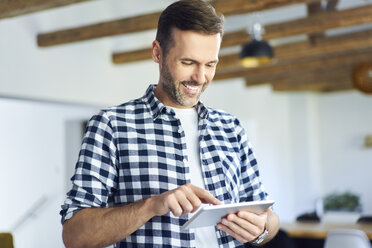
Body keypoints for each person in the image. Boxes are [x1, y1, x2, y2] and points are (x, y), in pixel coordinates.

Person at [60, 0, 280, 247]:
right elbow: (75, 235)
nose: (200, 77)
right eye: (188, 62)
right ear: (157, 52)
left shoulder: (231, 128)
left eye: (210, 64)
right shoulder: (111, 125)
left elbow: (267, 216)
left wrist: (261, 229)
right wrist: (153, 205)